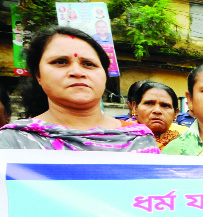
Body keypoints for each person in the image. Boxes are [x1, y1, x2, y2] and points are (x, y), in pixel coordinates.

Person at [0, 26, 158, 153]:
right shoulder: (12, 141)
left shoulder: (138, 138)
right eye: (60, 62)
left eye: (89, 64)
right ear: (38, 75)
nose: (77, 72)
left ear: (105, 75)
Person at [134, 81, 187, 150]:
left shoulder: (189, 139)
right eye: (149, 103)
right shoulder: (120, 137)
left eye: (165, 105)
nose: (157, 110)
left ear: (175, 113)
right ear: (135, 108)